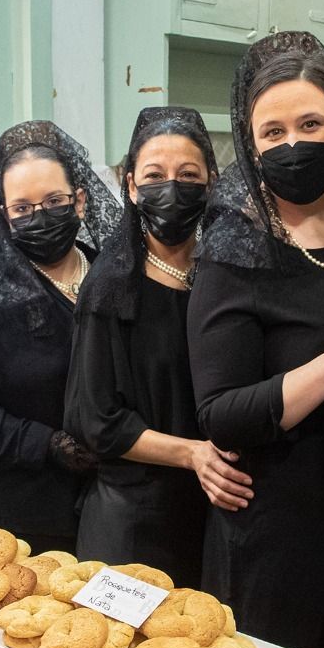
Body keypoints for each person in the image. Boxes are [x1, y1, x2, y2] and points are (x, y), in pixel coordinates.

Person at [186, 31, 324, 648]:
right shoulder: (236, 247)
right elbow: (221, 412)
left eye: (310, 123)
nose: (293, 143)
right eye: (272, 132)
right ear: (250, 144)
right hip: (278, 528)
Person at [65, 106, 250, 585]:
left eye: (188, 175)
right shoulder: (109, 290)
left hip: (210, 511)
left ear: (211, 182)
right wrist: (191, 454)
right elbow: (97, 423)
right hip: (133, 520)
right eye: (154, 175)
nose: (172, 187)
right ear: (130, 186)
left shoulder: (224, 277)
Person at [0, 121, 119, 553]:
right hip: (19, 514)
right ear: (4, 216)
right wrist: (45, 443)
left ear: (81, 202)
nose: (41, 216)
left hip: (110, 504)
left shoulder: (111, 278)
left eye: (55, 201)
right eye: (23, 208)